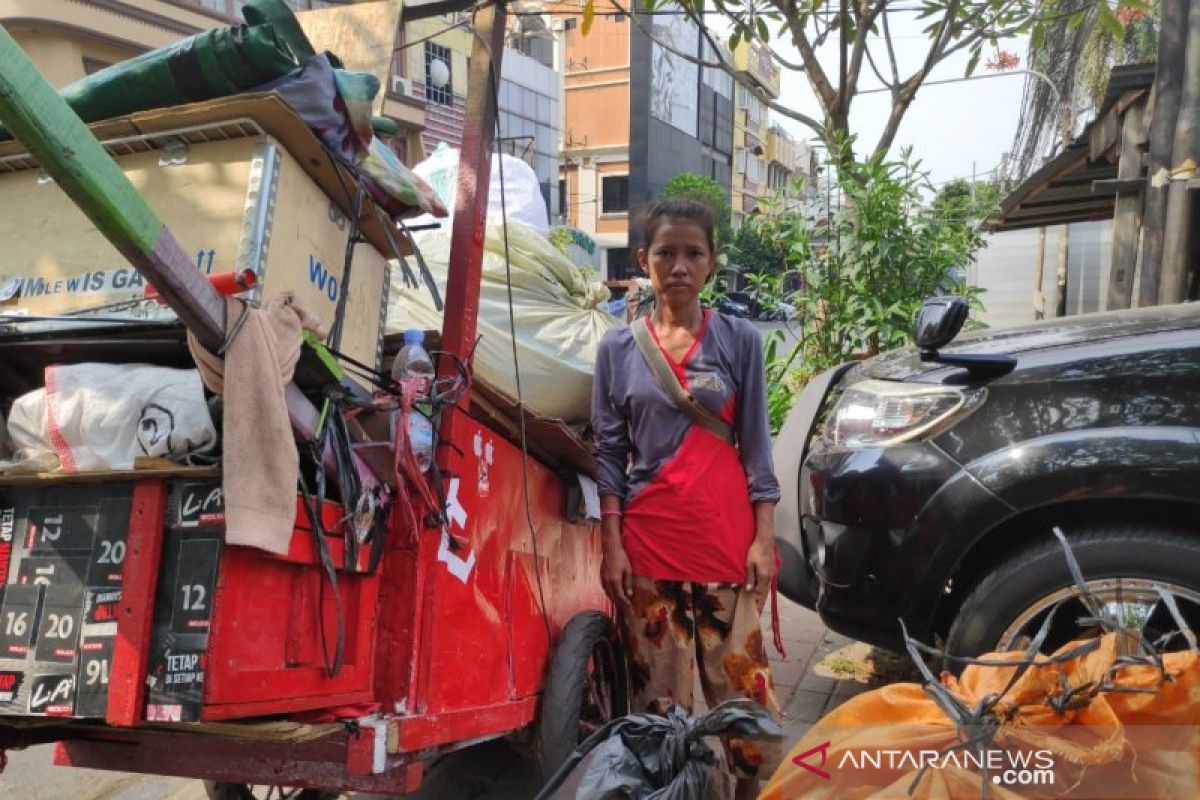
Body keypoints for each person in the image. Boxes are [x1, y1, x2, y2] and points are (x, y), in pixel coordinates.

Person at [591, 198, 782, 800]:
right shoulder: (617, 351)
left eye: (693, 253)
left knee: (747, 710)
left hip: (726, 549)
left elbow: (756, 447)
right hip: (649, 553)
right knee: (661, 713)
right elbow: (608, 457)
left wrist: (764, 537)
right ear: (643, 261)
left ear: (712, 262)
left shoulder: (739, 340)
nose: (679, 265)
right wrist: (611, 545)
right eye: (666, 252)